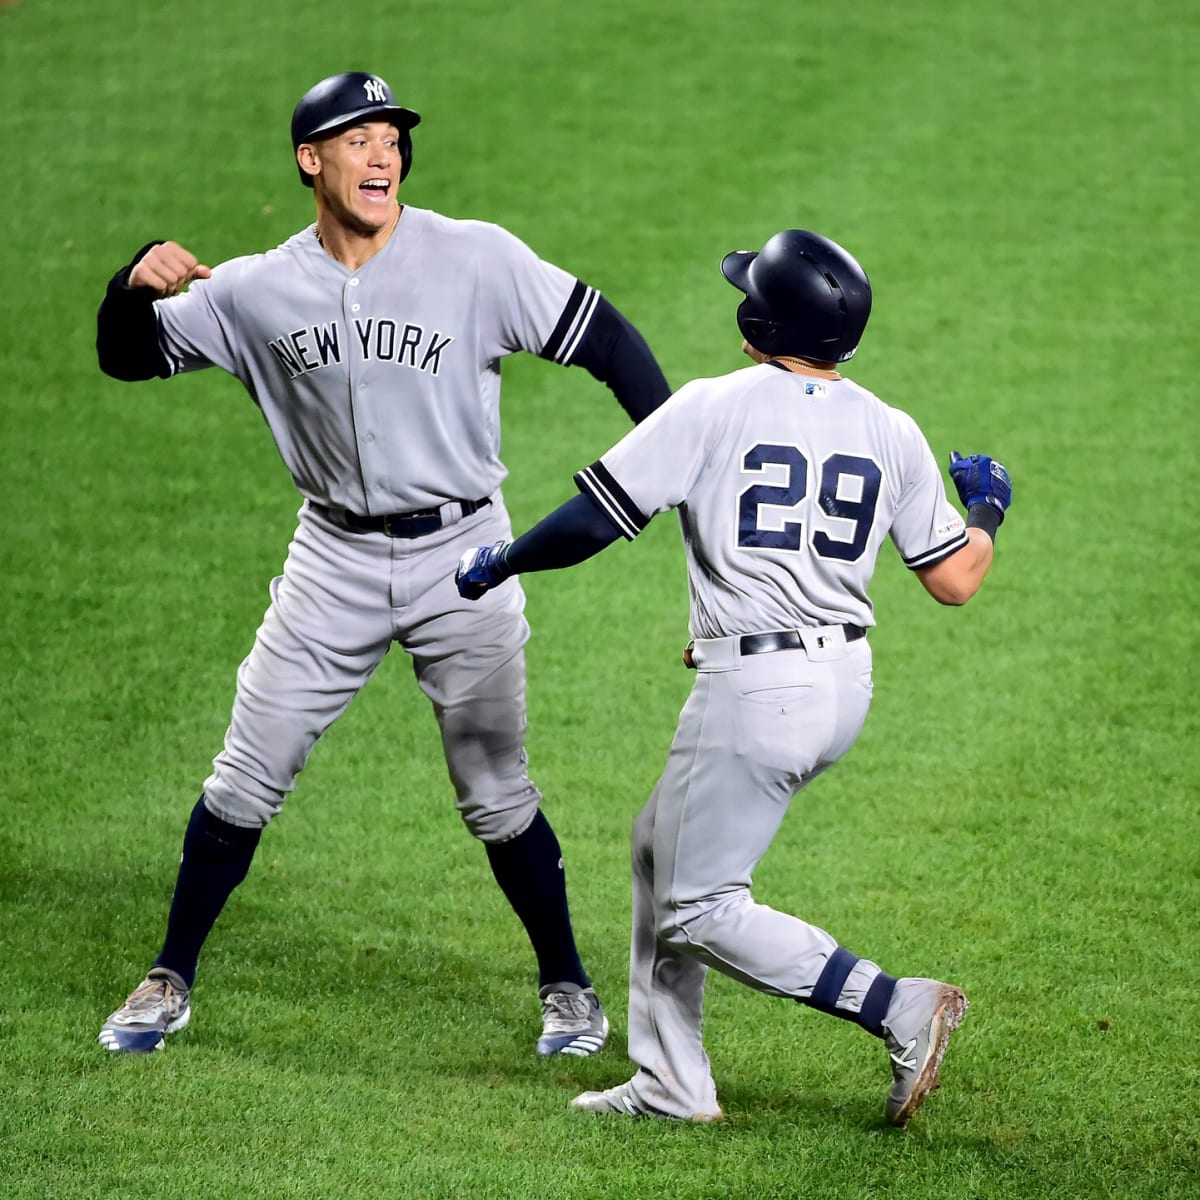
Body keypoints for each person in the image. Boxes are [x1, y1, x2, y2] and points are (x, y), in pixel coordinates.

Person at [94, 71, 674, 1057]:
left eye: (392, 138)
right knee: (247, 771)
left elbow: (605, 339)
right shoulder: (253, 289)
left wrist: (668, 453)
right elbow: (127, 356)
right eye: (356, 138)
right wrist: (127, 286)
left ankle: (567, 985)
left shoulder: (475, 258)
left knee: (496, 787)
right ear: (309, 160)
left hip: (466, 553)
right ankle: (168, 975)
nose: (382, 155)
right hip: (333, 557)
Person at [454, 228, 1013, 1126]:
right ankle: (671, 1081)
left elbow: (593, 522)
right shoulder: (892, 428)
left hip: (759, 695)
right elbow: (956, 578)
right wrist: (987, 504)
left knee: (699, 903)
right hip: (843, 685)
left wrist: (499, 561)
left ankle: (897, 1005)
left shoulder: (714, 406)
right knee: (655, 848)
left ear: (760, 319)